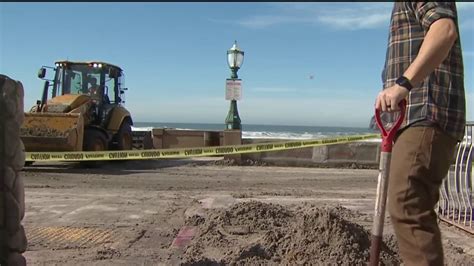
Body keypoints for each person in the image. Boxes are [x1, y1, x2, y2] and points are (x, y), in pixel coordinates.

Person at [375, 2, 465, 265]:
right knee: (411, 203)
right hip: (411, 118)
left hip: (426, 112)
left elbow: (444, 29)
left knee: (406, 201)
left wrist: (403, 84)